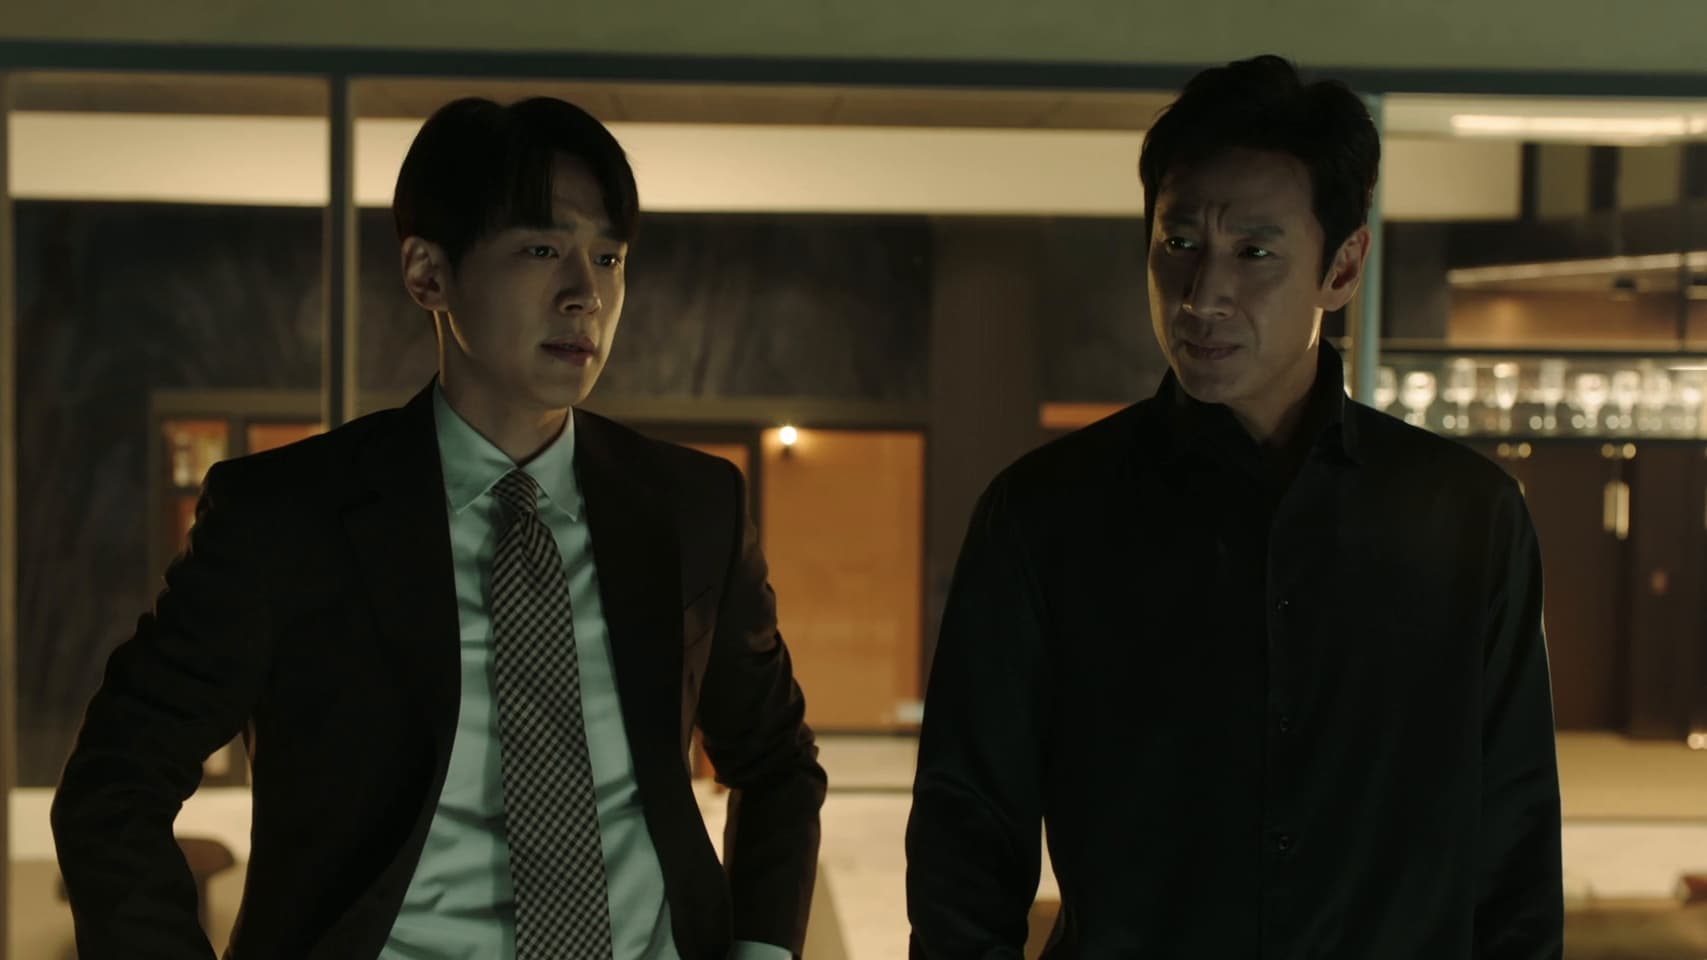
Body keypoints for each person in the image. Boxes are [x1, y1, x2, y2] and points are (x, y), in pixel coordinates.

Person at [52, 96, 825, 960]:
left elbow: (776, 762)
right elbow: (115, 784)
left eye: (608, 257)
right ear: (428, 274)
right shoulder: (287, 519)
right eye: (542, 249)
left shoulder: (691, 506)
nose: (586, 295)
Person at [906, 55, 1562, 959]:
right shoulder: (1045, 513)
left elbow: (1514, 841)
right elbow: (965, 838)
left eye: (1253, 253)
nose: (1201, 295)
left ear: (1342, 267)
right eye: (1178, 244)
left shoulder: (1465, 515)